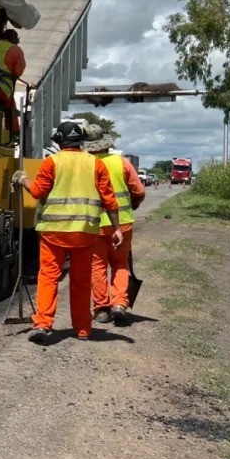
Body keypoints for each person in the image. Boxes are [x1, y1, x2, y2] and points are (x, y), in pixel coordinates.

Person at [13, 119, 123, 341]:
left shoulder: (52, 162)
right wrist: (117, 229)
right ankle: (83, 329)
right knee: (81, 281)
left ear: (59, 142)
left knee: (48, 277)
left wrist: (23, 179)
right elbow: (110, 200)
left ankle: (42, 324)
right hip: (85, 232)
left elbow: (37, 192)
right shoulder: (96, 164)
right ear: (80, 141)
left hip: (54, 231)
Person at [84, 128, 146, 324]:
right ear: (106, 143)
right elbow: (139, 191)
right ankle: (119, 304)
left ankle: (101, 308)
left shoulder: (84, 164)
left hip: (94, 225)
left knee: (97, 266)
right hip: (122, 223)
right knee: (120, 264)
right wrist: (134, 203)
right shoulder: (122, 162)